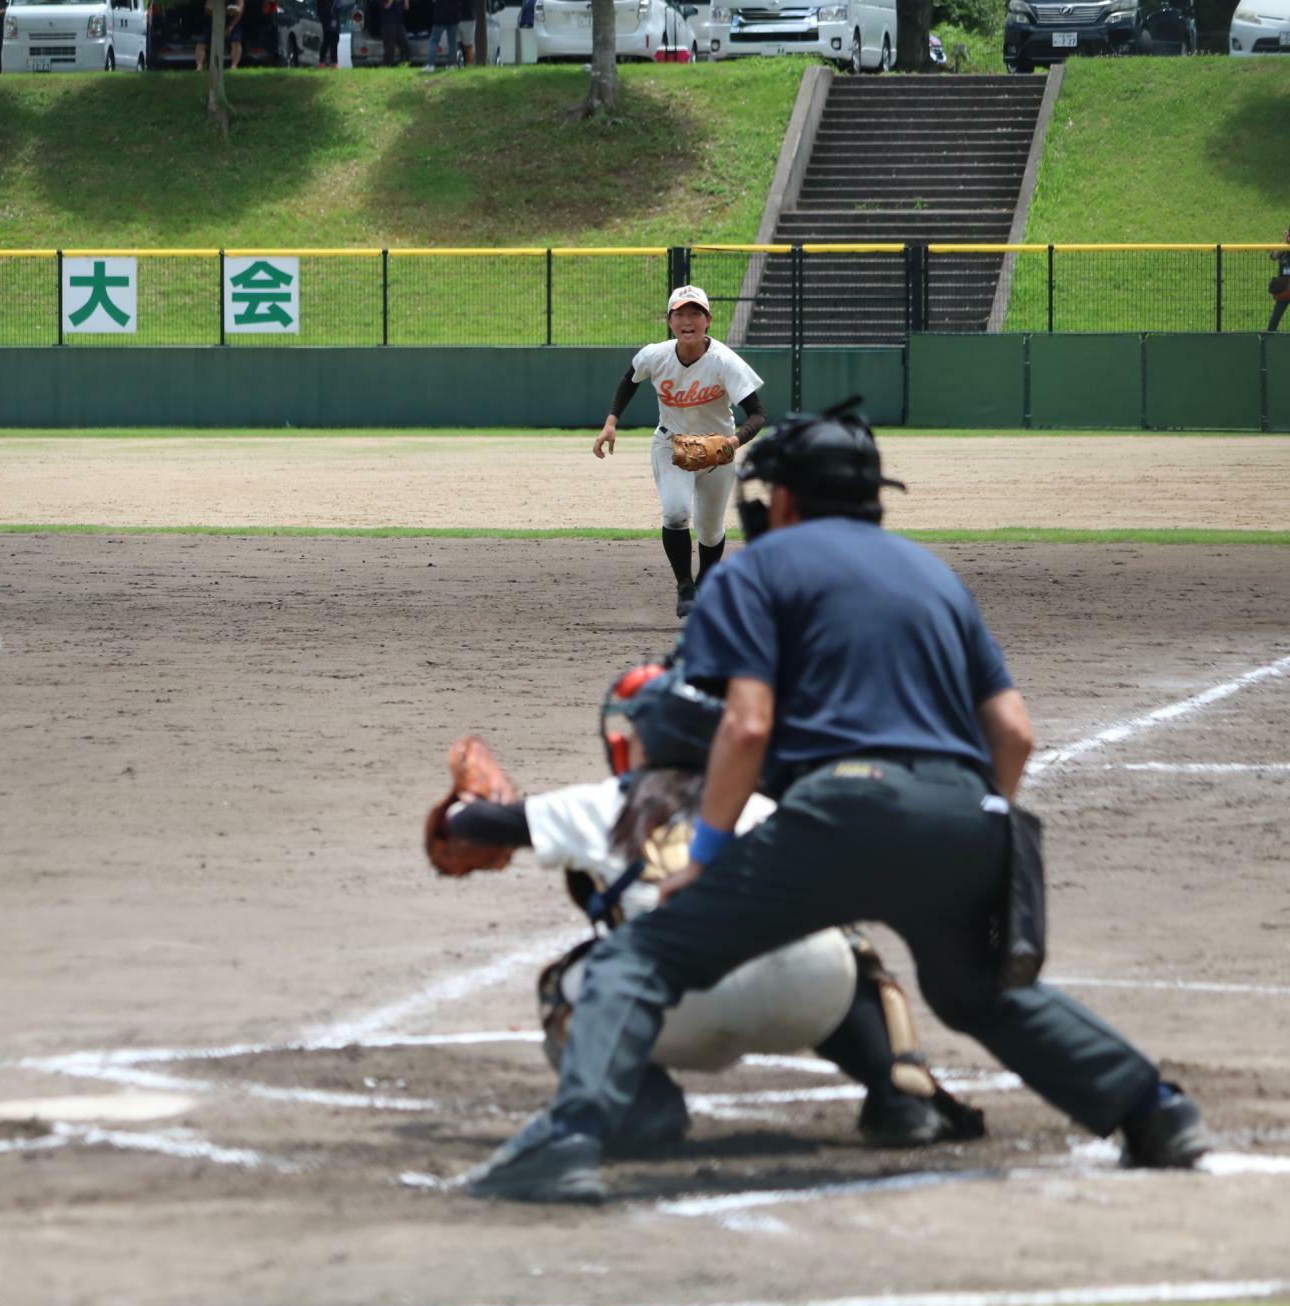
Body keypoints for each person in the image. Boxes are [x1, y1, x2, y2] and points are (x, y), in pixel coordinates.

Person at [460, 407, 1210, 1205]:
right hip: (970, 812)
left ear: (783, 499)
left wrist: (704, 853)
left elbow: (745, 725)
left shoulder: (758, 569)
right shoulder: (934, 577)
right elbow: (1015, 736)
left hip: (841, 808)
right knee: (979, 993)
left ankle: (570, 1138)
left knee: (640, 958)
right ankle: (1154, 1111)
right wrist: (957, 819)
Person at [430, 662, 984, 1155]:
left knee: (565, 982)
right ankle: (902, 1099)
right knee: (849, 947)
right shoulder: (764, 805)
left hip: (673, 1006)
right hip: (805, 994)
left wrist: (479, 806)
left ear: (645, 739)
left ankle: (639, 1105)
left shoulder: (603, 802)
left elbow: (464, 829)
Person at [594, 283, 766, 620]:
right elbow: (630, 379)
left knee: (711, 529)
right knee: (675, 513)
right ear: (670, 321)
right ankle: (685, 586)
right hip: (670, 444)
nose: (688, 320)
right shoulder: (656, 355)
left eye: (695, 314)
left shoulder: (724, 362)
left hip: (718, 450)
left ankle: (705, 583)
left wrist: (733, 442)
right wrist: (611, 422)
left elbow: (759, 414)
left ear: (708, 321)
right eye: (680, 314)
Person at [195, 0, 245, 68]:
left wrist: (231, 26)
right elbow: (207, 9)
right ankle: (199, 66)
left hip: (231, 24)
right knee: (200, 43)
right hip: (214, 23)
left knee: (236, 42)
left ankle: (234, 66)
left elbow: (240, 11)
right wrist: (225, 11)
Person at [423, 0, 459, 67]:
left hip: (440, 16)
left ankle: (430, 65)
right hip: (454, 15)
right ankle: (452, 65)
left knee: (434, 41)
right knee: (452, 43)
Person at [1268, 227, 1290, 335]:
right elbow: (1272, 256)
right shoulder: (1283, 247)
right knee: (1276, 316)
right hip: (1284, 287)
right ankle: (1268, 337)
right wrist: (1284, 241)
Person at [316, 0, 339, 65]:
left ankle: (333, 63)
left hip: (332, 20)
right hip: (328, 20)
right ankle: (324, 62)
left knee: (332, 40)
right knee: (328, 40)